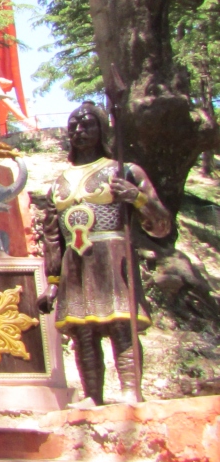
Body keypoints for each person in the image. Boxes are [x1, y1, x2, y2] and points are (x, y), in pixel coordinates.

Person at [39, 102, 170, 404]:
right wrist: (53, 281)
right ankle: (92, 397)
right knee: (82, 331)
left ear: (102, 129)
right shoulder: (59, 182)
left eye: (87, 124)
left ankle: (131, 391)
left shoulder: (124, 171)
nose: (79, 130)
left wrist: (137, 198)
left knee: (121, 324)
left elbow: (162, 225)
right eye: (73, 125)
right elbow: (52, 237)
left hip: (112, 255)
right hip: (75, 261)